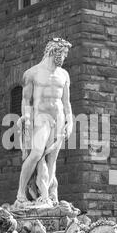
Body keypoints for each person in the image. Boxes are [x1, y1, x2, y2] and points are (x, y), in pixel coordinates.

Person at [13, 38, 74, 209]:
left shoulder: (64, 75)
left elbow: (67, 102)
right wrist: (25, 117)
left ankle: (49, 195)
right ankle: (21, 193)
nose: (64, 58)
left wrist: (70, 122)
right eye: (62, 54)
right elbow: (26, 100)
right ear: (53, 52)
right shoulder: (32, 73)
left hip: (59, 118)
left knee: (52, 160)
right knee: (36, 152)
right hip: (41, 117)